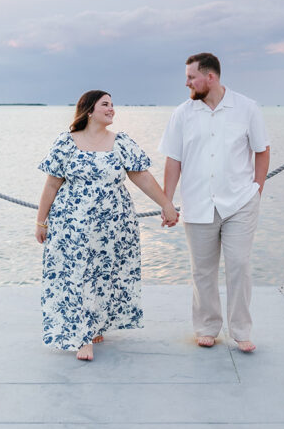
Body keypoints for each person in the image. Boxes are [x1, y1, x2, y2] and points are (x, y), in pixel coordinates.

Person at [36, 90, 179, 361]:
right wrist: (40, 221)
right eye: (105, 105)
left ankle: (95, 323)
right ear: (89, 111)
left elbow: (142, 177)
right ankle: (84, 337)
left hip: (114, 224)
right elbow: (52, 183)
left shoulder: (121, 143)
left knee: (104, 275)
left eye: (112, 105)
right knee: (78, 275)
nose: (112, 109)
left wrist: (166, 204)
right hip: (73, 223)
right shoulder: (66, 143)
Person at [159, 53, 270, 352]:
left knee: (239, 265)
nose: (187, 83)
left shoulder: (247, 108)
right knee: (203, 270)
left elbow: (262, 150)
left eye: (191, 77)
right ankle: (207, 327)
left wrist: (257, 189)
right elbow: (173, 160)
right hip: (197, 203)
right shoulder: (182, 113)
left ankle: (241, 331)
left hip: (240, 202)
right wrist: (167, 202)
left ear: (211, 77)